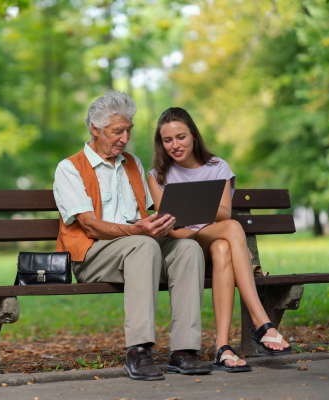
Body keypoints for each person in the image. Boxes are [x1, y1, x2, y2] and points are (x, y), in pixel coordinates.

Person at [53, 92, 211, 381]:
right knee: (143, 244)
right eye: (117, 131)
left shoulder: (132, 164)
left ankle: (184, 351)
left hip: (140, 249)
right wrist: (139, 230)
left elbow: (148, 214)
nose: (125, 138)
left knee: (188, 250)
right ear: (94, 129)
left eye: (128, 130)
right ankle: (138, 352)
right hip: (93, 255)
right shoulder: (69, 168)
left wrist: (164, 223)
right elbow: (90, 226)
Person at [147, 107, 292, 373]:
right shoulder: (157, 175)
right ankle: (263, 323)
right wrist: (198, 214)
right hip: (183, 247)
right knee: (233, 229)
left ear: (193, 136)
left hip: (216, 246)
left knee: (225, 246)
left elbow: (224, 212)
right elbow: (169, 228)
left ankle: (222, 347)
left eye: (181, 137)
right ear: (160, 142)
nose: (175, 145)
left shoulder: (217, 167)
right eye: (167, 140)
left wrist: (186, 207)